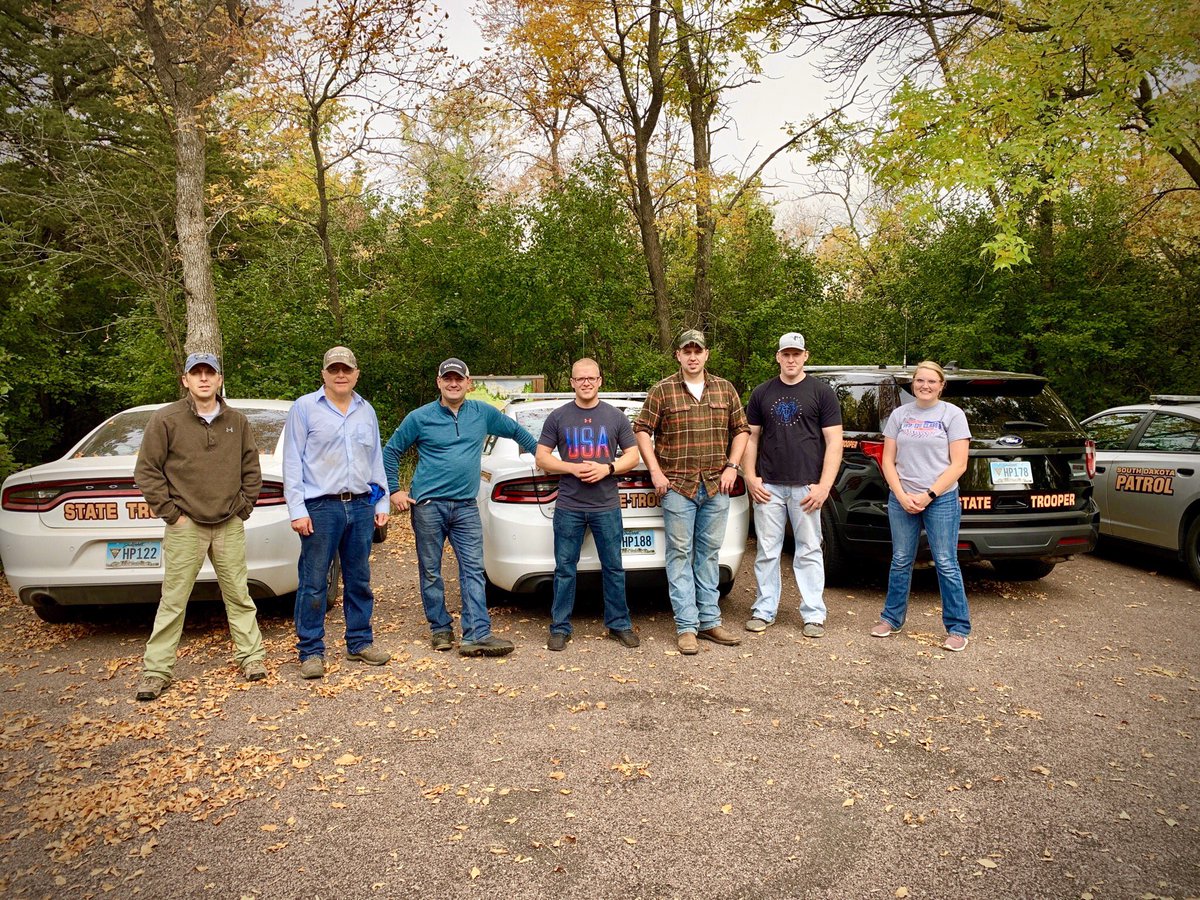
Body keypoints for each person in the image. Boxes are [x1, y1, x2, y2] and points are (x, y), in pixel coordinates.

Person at [133, 352, 268, 701]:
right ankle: (156, 671)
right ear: (186, 380)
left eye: (210, 373)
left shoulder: (236, 421)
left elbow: (251, 469)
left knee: (238, 594)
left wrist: (244, 507)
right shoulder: (166, 420)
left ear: (220, 379)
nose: (204, 379)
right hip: (185, 525)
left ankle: (252, 658)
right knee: (174, 599)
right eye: (197, 373)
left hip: (228, 524)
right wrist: (171, 514)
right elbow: (147, 471)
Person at [383, 358, 538, 657]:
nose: (453, 383)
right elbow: (391, 451)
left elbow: (519, 433)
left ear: (469, 383)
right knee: (431, 570)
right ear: (439, 383)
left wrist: (542, 458)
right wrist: (394, 490)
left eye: (459, 379)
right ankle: (440, 628)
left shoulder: (483, 413)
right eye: (447, 379)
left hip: (466, 506)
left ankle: (476, 634)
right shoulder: (420, 417)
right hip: (428, 505)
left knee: (472, 569)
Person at [633, 330, 750, 656]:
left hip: (716, 486)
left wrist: (732, 466)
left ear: (706, 354)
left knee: (709, 555)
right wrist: (655, 471)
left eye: (698, 350)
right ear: (679, 356)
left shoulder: (725, 389)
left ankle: (710, 621)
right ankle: (686, 627)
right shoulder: (663, 390)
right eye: (687, 351)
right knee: (680, 556)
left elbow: (741, 430)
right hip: (678, 489)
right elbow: (642, 430)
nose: (693, 356)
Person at [284, 346, 391, 679]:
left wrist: (382, 501)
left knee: (359, 579)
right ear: (324, 375)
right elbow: (291, 462)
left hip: (360, 505)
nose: (341, 375)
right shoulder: (304, 408)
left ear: (356, 374)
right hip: (321, 507)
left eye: (346, 369)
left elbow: (375, 459)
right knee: (314, 582)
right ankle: (311, 651)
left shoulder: (366, 410)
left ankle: (359, 642)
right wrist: (297, 509)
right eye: (334, 370)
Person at [535, 358, 641, 651]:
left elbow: (633, 456)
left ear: (600, 381)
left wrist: (607, 468)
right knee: (565, 568)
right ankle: (559, 627)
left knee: (614, 567)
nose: (586, 383)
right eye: (580, 378)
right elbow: (542, 457)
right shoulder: (557, 417)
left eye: (591, 378)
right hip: (569, 504)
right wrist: (571, 468)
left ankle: (619, 625)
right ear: (572, 382)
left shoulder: (615, 417)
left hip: (606, 505)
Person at [743, 332, 843, 638]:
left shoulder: (821, 392)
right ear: (778, 357)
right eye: (786, 354)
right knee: (767, 551)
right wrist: (750, 476)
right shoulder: (762, 393)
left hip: (807, 486)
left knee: (810, 550)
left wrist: (825, 485)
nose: (791, 359)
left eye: (796, 354)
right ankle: (764, 609)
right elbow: (751, 437)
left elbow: (834, 440)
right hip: (768, 485)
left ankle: (814, 614)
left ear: (805, 356)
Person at [872, 360, 972, 651]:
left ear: (941, 385)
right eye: (920, 381)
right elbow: (887, 460)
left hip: (940, 499)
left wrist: (928, 495)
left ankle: (958, 628)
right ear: (913, 383)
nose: (925, 386)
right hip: (902, 497)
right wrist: (901, 494)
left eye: (931, 381)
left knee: (946, 563)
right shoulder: (900, 415)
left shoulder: (952, 415)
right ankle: (891, 618)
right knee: (901, 560)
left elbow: (959, 464)